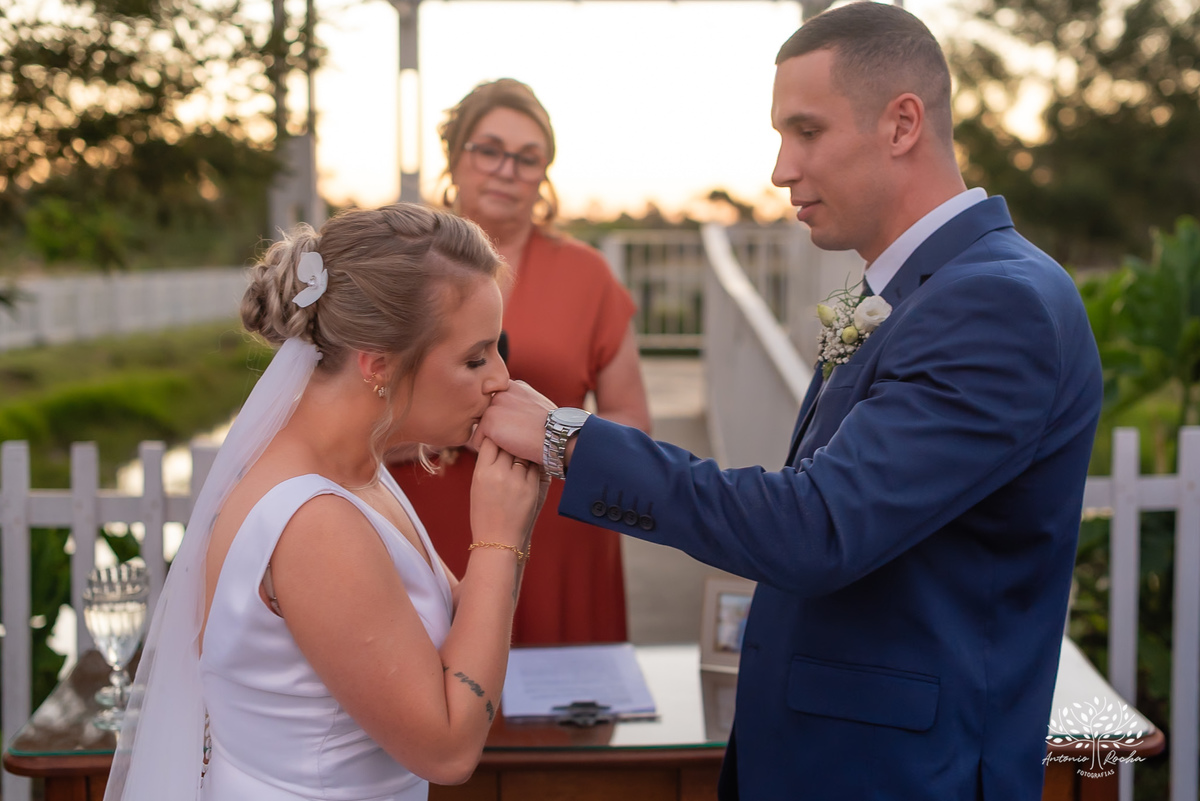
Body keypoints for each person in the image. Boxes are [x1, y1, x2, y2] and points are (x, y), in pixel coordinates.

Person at [474, 3, 1104, 799]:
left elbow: (818, 526)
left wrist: (568, 437)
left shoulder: (994, 305)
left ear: (902, 123)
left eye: (806, 131)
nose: (779, 169)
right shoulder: (927, 290)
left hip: (901, 775)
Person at [105, 203, 547, 801]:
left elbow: (444, 632)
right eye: (474, 358)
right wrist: (500, 537)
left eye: (496, 350)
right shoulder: (314, 523)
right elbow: (447, 749)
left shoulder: (359, 472)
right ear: (379, 366)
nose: (501, 378)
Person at [389, 78, 651, 645]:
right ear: (455, 157)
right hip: (426, 529)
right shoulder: (400, 268)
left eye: (528, 158)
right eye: (489, 149)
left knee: (558, 717)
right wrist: (436, 433)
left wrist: (550, 437)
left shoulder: (589, 278)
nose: (507, 169)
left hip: (557, 534)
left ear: (543, 175)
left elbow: (632, 421)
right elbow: (349, 404)